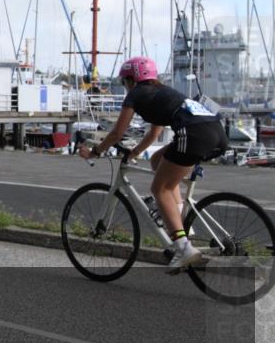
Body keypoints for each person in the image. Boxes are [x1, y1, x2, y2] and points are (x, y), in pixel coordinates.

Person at [79, 56, 228, 273]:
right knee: (157, 160)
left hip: (193, 135)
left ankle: (183, 247)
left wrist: (95, 152)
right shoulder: (162, 93)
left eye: (124, 81)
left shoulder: (136, 94)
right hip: (216, 133)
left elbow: (117, 133)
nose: (125, 86)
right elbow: (153, 134)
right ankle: (181, 223)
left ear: (131, 79)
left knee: (159, 189)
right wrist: (134, 153)